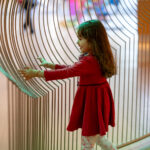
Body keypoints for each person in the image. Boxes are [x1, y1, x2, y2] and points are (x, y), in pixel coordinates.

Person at [18, 20, 117, 150]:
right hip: (96, 102)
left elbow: (68, 72)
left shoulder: (89, 61)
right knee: (98, 138)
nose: (77, 42)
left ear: (93, 41)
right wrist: (50, 65)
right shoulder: (96, 57)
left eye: (81, 39)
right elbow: (73, 69)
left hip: (92, 106)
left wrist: (36, 73)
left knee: (88, 142)